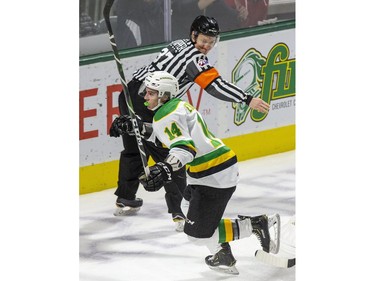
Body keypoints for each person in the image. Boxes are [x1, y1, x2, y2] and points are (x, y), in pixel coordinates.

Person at [109, 15, 270, 231]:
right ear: (194, 35)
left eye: (212, 42)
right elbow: (215, 86)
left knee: (134, 150)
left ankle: (125, 197)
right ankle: (180, 212)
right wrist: (247, 99)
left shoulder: (178, 43)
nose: (207, 46)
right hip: (152, 101)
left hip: (131, 94)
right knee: (172, 154)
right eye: (204, 40)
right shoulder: (196, 59)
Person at [134, 71, 280, 275]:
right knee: (186, 207)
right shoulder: (175, 107)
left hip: (213, 174)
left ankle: (254, 225)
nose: (145, 97)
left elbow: (184, 148)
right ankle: (223, 253)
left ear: (164, 94)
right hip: (211, 168)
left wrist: (165, 167)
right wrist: (140, 128)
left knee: (197, 234)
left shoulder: (166, 114)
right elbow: (170, 137)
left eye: (150, 93)